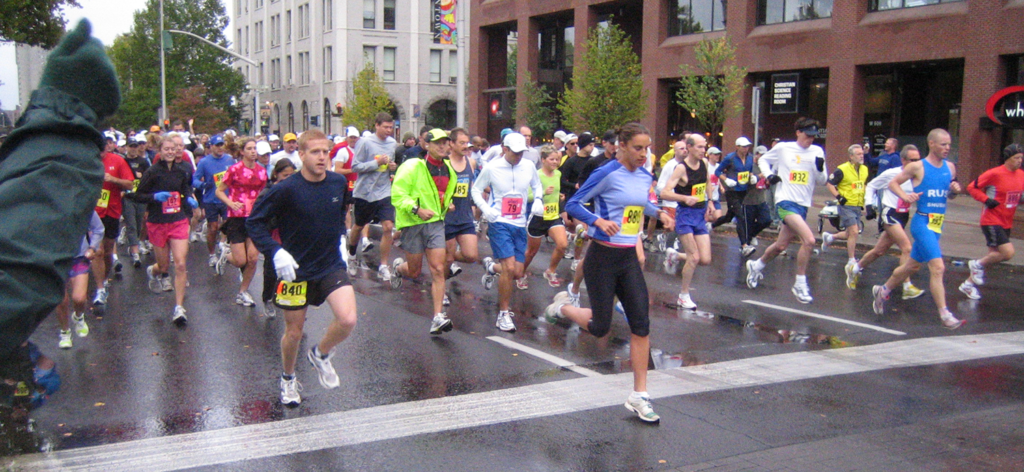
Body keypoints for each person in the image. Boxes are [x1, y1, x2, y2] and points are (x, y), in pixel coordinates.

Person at [545, 122, 674, 423]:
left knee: (640, 323)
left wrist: (662, 214)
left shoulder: (645, 175)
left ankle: (639, 395)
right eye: (638, 148)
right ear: (622, 146)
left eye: (647, 148)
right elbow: (574, 205)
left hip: (628, 257)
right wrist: (598, 222)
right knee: (601, 327)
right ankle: (562, 307)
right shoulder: (605, 172)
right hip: (602, 257)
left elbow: (641, 206)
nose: (644, 154)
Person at [247, 129, 357, 406]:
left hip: (329, 263)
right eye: (316, 152)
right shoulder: (285, 189)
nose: (322, 158)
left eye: (326, 152)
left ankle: (320, 354)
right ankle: (287, 378)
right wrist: (275, 251)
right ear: (301, 154)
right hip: (294, 270)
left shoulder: (336, 183)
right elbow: (254, 223)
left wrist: (342, 239)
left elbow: (341, 211)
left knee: (348, 319)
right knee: (293, 333)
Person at [871, 129, 965, 329]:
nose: (947, 148)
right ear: (931, 144)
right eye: (943, 144)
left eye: (949, 144)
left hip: (937, 223)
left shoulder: (950, 168)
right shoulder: (917, 167)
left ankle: (883, 290)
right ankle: (945, 314)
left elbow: (948, 195)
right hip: (922, 223)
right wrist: (905, 197)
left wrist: (954, 191)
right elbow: (893, 183)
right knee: (938, 267)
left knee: (911, 266)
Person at [745, 118, 828, 304]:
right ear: (798, 132)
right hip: (785, 201)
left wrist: (820, 168)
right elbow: (764, 160)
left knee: (781, 245)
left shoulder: (817, 151)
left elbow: (822, 180)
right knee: (809, 240)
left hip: (803, 204)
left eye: (814, 136)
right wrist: (770, 175)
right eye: (807, 135)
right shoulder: (784, 148)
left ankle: (756, 265)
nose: (810, 140)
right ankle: (800, 282)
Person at [471, 132, 544, 332]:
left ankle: (491, 268)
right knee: (510, 267)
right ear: (505, 149)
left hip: (520, 224)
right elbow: (476, 190)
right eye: (515, 152)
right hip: (499, 222)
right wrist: (486, 210)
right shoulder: (492, 167)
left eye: (522, 152)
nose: (519, 156)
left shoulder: (528, 166)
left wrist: (538, 199)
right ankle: (503, 313)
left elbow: (537, 186)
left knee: (517, 272)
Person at [390, 129, 458, 334]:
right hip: (413, 223)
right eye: (437, 143)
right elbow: (397, 194)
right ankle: (399, 269)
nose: (442, 146)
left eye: (445, 143)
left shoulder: (448, 169)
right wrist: (417, 209)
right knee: (414, 271)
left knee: (438, 268)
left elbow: (441, 193)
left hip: (436, 223)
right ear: (426, 145)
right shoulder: (412, 166)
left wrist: (447, 203)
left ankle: (437, 317)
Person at [135, 135, 198, 324]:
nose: (171, 152)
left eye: (174, 149)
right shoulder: (152, 172)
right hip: (158, 222)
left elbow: (184, 188)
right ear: (160, 151)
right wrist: (154, 197)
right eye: (167, 149)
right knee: (163, 266)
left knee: (180, 264)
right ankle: (153, 271)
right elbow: (137, 196)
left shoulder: (182, 170)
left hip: (178, 219)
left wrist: (188, 198)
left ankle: (179, 308)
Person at [852, 145, 925, 298]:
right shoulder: (892, 173)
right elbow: (871, 185)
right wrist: (869, 205)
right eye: (912, 160)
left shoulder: (918, 175)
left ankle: (855, 268)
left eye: (918, 160)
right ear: (903, 160)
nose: (915, 163)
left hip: (903, 215)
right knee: (906, 248)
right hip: (889, 213)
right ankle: (907, 286)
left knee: (879, 251)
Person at [959, 143, 1024, 300]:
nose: (1019, 161)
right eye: (1016, 158)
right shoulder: (994, 173)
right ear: (1008, 158)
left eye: (1021, 158)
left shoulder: (1021, 175)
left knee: (993, 256)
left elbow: (1018, 196)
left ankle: (967, 285)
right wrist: (986, 200)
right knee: (1007, 253)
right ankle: (976, 264)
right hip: (991, 219)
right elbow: (971, 187)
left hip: (1006, 220)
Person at [660, 134, 713, 310]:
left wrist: (711, 201)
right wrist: (684, 197)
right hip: (685, 215)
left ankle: (674, 255)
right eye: (699, 147)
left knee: (704, 259)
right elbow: (665, 193)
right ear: (689, 148)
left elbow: (707, 183)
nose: (703, 151)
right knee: (694, 257)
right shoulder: (681, 169)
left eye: (704, 147)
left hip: (700, 214)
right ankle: (683, 296)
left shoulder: (704, 164)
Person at [215, 138, 268, 307]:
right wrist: (230, 203)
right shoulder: (234, 170)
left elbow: (264, 193)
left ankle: (242, 292)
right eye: (249, 148)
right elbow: (219, 190)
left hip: (254, 218)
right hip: (237, 217)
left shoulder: (262, 171)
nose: (253, 151)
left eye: (255, 148)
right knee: (241, 261)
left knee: (252, 259)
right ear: (242, 152)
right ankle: (226, 256)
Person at [346, 112, 398, 281]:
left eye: (391, 127)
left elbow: (391, 165)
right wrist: (376, 163)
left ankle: (384, 265)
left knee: (388, 227)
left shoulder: (392, 143)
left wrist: (392, 167)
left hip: (384, 191)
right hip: (365, 192)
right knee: (359, 226)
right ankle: (352, 255)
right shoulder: (365, 143)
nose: (389, 130)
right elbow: (355, 166)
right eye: (386, 127)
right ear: (376, 126)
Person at [90, 135, 135, 306]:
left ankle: (104, 278)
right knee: (98, 251)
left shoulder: (117, 160)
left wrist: (113, 179)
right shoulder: (87, 162)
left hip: (112, 211)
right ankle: (100, 288)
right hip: (93, 212)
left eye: (101, 149)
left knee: (108, 252)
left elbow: (130, 184)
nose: (99, 153)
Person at [822, 144, 870, 288]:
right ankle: (851, 260)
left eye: (862, 153)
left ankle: (830, 237)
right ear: (851, 156)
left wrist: (866, 203)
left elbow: (863, 185)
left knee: (850, 233)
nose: (861, 156)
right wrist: (838, 196)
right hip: (845, 204)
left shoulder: (865, 169)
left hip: (857, 205)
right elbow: (830, 184)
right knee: (855, 231)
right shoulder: (842, 169)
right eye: (858, 154)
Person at [255, 159, 298, 318]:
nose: (288, 178)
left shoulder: (297, 190)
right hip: (273, 235)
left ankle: (292, 304)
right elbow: (258, 217)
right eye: (284, 175)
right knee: (272, 270)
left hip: (292, 235)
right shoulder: (268, 192)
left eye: (291, 175)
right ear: (276, 174)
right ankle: (267, 298)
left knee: (293, 269)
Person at [55, 212, 104, 349]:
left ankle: (78, 316)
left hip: (79, 257)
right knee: (61, 300)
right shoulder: (47, 203)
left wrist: (92, 247)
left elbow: (98, 228)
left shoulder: (81, 202)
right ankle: (65, 332)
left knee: (79, 298)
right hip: (56, 259)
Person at [523, 145, 569, 287]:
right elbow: (527, 196)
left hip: (553, 216)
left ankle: (550, 271)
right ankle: (521, 273)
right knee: (531, 252)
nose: (555, 162)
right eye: (552, 159)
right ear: (543, 160)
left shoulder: (558, 174)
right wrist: (543, 193)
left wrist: (558, 196)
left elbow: (555, 191)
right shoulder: (536, 175)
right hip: (538, 217)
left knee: (562, 245)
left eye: (557, 160)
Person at [192, 133, 235, 270]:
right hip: (211, 199)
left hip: (227, 199)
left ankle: (224, 248)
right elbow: (195, 179)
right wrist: (202, 185)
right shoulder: (204, 162)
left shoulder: (229, 160)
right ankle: (212, 254)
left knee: (228, 225)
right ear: (211, 147)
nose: (220, 148)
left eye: (221, 145)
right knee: (213, 227)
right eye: (217, 145)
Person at [443, 127, 480, 284]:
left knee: (471, 255)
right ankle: (441, 286)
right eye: (461, 143)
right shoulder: (444, 164)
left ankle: (440, 257)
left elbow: (473, 186)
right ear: (451, 144)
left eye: (467, 143)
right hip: (447, 216)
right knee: (448, 258)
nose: (465, 146)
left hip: (465, 216)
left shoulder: (471, 162)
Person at [712, 137, 756, 249]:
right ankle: (744, 245)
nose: (746, 149)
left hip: (743, 191)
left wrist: (752, 177)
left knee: (729, 216)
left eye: (747, 146)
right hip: (732, 191)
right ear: (737, 147)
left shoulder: (750, 158)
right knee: (740, 216)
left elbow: (749, 171)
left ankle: (711, 225)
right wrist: (725, 179)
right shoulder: (730, 158)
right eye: (743, 146)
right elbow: (717, 171)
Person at [739, 146, 776, 258]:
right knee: (747, 224)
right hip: (748, 200)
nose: (762, 157)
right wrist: (757, 176)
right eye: (760, 155)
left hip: (760, 199)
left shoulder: (765, 166)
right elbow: (744, 179)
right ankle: (745, 247)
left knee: (766, 220)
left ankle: (751, 235)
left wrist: (768, 182)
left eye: (765, 155)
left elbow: (767, 181)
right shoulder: (749, 165)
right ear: (756, 155)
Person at [121, 135, 152, 268]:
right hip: (128, 198)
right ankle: (135, 252)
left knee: (140, 223)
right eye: (131, 146)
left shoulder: (143, 162)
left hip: (140, 197)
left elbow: (149, 179)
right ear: (126, 147)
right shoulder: (122, 161)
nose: (133, 149)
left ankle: (136, 242)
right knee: (131, 224)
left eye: (135, 146)